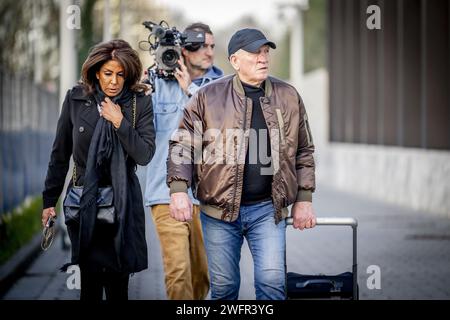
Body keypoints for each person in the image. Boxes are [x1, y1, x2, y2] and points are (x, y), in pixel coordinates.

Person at [167, 28, 316, 300]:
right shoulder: (207, 96)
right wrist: (178, 190)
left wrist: (304, 198)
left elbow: (304, 149)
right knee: (224, 290)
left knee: (272, 285)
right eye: (254, 53)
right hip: (219, 214)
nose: (263, 59)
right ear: (235, 60)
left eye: (265, 52)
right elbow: (182, 145)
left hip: (267, 211)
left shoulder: (288, 95)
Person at [42, 39, 156, 300]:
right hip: (85, 198)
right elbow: (60, 154)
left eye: (120, 75)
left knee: (118, 285)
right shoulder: (76, 98)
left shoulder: (139, 102)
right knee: (90, 284)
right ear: (95, 71)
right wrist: (49, 200)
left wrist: (119, 121)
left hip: (123, 199)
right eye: (108, 74)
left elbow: (145, 154)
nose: (114, 81)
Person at [144, 22, 223, 300]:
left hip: (208, 195)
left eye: (212, 46)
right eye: (202, 46)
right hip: (164, 192)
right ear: (184, 50)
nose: (209, 52)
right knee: (177, 271)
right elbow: (142, 134)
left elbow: (219, 135)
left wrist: (190, 90)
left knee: (203, 274)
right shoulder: (155, 84)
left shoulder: (221, 86)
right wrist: (138, 90)